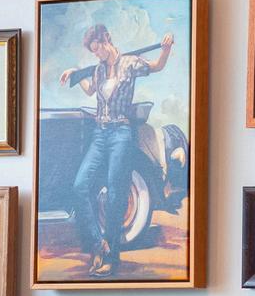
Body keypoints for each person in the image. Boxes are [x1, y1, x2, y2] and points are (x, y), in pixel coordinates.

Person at [59, 21, 175, 276]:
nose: (97, 54)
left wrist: (165, 49)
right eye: (93, 51)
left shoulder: (130, 63)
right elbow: (90, 91)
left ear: (107, 40)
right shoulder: (98, 70)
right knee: (80, 186)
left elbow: (157, 66)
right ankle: (99, 244)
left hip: (121, 133)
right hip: (100, 134)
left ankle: (110, 256)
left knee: (115, 194)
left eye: (98, 48)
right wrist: (75, 73)